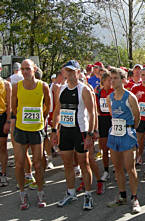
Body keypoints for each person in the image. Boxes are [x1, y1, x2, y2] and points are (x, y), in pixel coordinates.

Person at [51, 60, 95, 210]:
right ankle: (70, 193)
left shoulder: (84, 89)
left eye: (72, 71)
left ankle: (88, 194)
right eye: (66, 71)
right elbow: (57, 111)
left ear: (77, 72)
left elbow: (92, 112)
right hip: (65, 131)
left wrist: (90, 134)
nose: (69, 74)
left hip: (80, 132)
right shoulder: (61, 89)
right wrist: (54, 130)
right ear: (63, 72)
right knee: (68, 163)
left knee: (84, 163)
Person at [11, 59, 51, 210]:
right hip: (21, 129)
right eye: (23, 69)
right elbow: (14, 107)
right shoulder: (16, 87)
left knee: (38, 163)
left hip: (37, 130)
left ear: (34, 69)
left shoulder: (43, 86)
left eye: (27, 68)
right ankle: (23, 193)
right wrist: (21, 117)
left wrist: (41, 118)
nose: (25, 71)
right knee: (20, 163)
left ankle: (40, 192)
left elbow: (47, 105)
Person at [105, 68, 141, 214]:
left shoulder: (130, 97)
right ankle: (122, 195)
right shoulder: (109, 98)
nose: (112, 81)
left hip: (127, 134)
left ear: (123, 80)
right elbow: (111, 115)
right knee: (117, 168)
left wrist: (130, 129)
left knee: (130, 168)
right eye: (111, 78)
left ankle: (135, 198)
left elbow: (137, 117)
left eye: (115, 78)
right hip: (114, 133)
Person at [95, 72, 114, 183]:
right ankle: (106, 171)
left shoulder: (114, 92)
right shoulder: (99, 93)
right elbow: (97, 107)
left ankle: (117, 168)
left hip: (113, 120)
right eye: (108, 80)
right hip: (103, 120)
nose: (111, 82)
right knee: (104, 148)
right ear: (103, 82)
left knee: (115, 147)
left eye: (112, 80)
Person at [0, 75, 12, 187]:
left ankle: (3, 174)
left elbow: (9, 105)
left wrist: (8, 121)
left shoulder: (6, 84)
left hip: (2, 117)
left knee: (2, 146)